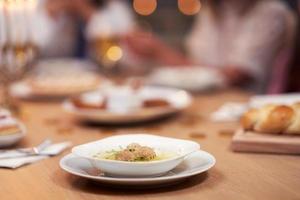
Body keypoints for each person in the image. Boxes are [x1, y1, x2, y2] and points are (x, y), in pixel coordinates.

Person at [125, 0, 297, 92]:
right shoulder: (211, 8)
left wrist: (159, 52)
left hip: (241, 104)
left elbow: (234, 76)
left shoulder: (270, 11)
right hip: (204, 101)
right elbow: (194, 62)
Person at [34, 0, 134, 58]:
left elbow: (123, 54)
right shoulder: (41, 6)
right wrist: (50, 16)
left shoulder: (115, 8)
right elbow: (38, 52)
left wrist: (87, 13)